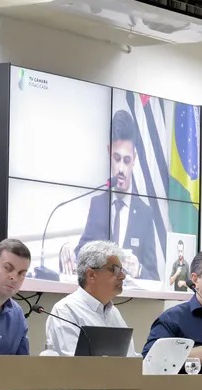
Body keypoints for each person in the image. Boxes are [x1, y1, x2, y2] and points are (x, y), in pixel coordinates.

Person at [75, 109, 159, 281]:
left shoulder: (145, 213)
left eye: (127, 160)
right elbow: (80, 256)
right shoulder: (98, 204)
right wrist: (67, 250)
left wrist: (139, 270)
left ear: (134, 158)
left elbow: (154, 276)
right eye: (117, 158)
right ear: (109, 153)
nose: (121, 169)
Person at [45, 240, 138, 357]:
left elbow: (129, 360)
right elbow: (73, 365)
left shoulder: (113, 313)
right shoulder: (66, 311)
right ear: (91, 274)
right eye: (115, 270)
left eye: (122, 270)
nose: (122, 276)